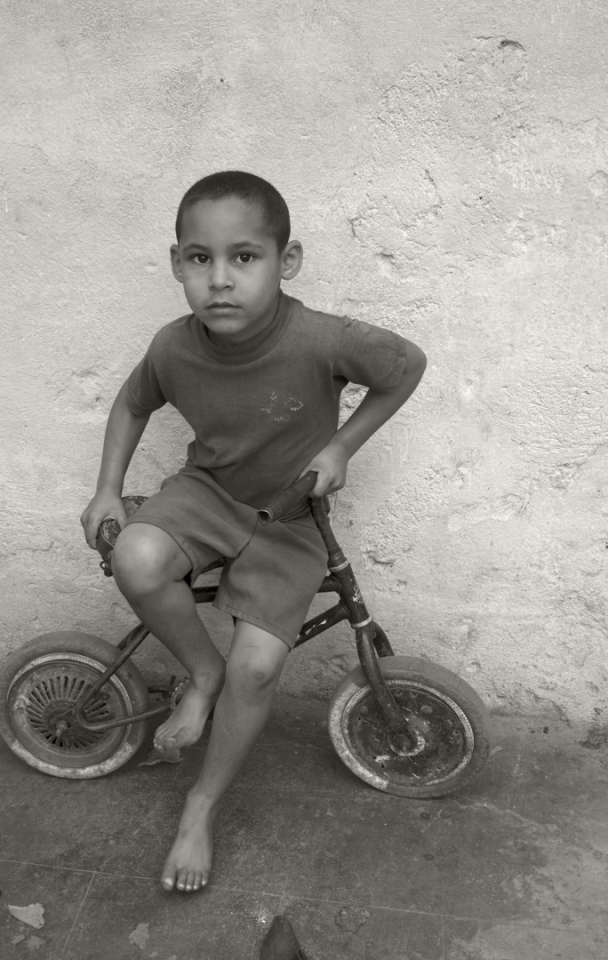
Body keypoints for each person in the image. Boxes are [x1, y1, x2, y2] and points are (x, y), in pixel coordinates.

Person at [80, 171, 427, 894]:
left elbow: (406, 367)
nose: (221, 280)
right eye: (200, 259)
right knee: (137, 555)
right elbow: (130, 403)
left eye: (245, 257)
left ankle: (200, 807)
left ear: (286, 261)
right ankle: (199, 673)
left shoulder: (322, 338)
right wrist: (107, 487)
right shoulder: (174, 348)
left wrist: (341, 446)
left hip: (290, 521)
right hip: (206, 495)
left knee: (261, 666)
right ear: (178, 264)